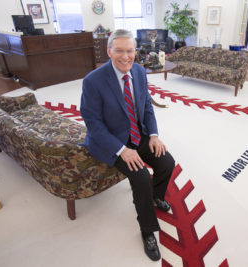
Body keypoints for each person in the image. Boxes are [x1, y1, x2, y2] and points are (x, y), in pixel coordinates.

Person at [80, 29, 175, 261]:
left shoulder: (140, 72)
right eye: (119, 51)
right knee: (141, 176)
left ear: (136, 51)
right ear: (109, 51)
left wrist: (153, 135)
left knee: (167, 162)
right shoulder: (93, 81)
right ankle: (147, 231)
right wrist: (122, 150)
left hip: (137, 134)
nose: (125, 57)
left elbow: (146, 107)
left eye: (130, 51)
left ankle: (155, 197)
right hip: (110, 141)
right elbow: (93, 124)